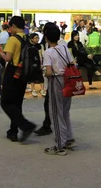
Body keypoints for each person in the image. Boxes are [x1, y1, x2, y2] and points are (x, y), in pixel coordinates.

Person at [0, 16, 37, 142]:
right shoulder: (27, 38)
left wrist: (0, 53)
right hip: (24, 73)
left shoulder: (13, 39)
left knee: (5, 102)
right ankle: (13, 132)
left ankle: (25, 126)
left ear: (14, 25)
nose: (10, 29)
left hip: (13, 72)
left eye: (10, 26)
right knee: (17, 103)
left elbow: (8, 58)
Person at [42, 23, 76, 156]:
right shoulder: (64, 48)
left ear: (46, 37)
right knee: (65, 111)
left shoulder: (48, 52)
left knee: (56, 113)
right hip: (68, 80)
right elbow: (72, 63)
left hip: (56, 82)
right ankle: (69, 138)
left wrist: (44, 72)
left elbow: (49, 72)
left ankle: (60, 145)